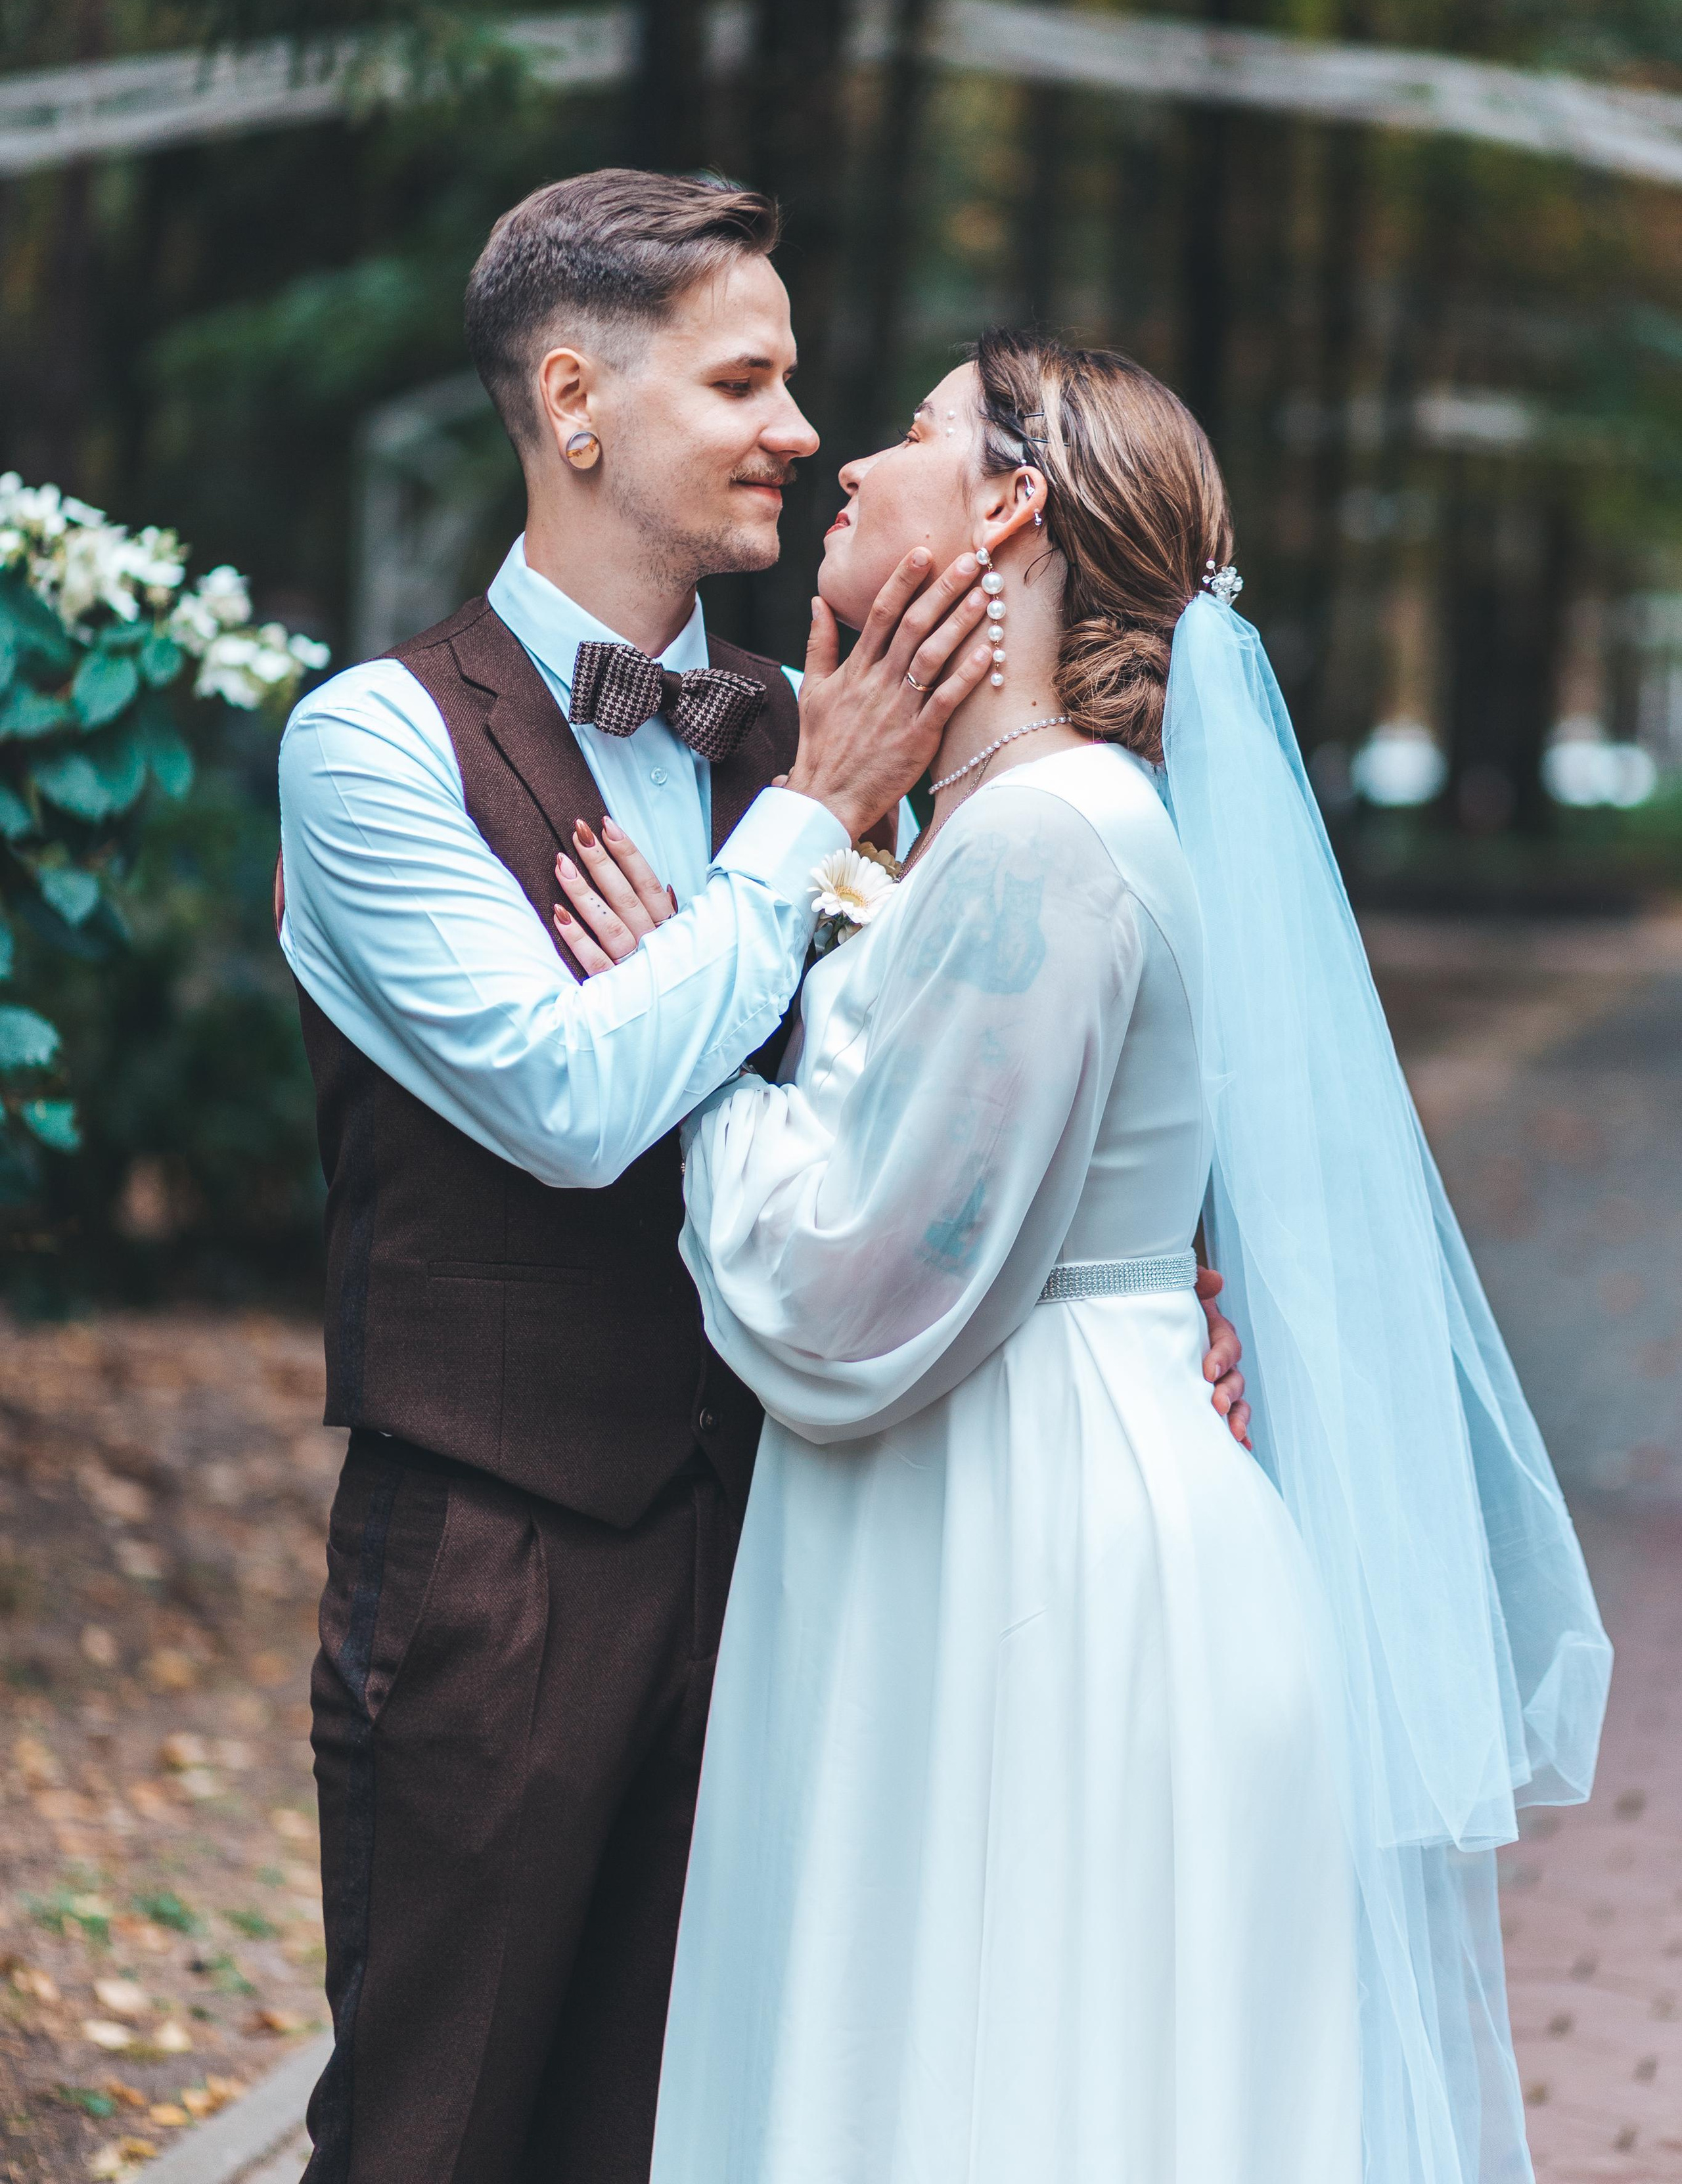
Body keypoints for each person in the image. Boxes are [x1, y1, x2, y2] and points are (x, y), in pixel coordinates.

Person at [276, 173, 1250, 2183]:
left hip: (813, 1568)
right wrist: (806, 823)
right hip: (500, 1574)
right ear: (575, 406)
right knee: (440, 2133)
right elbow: (566, 1102)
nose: (802, 430)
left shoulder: (839, 724)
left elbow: (995, 1063)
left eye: (804, 381)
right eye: (748, 379)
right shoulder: (373, 748)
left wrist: (1180, 1297)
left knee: (717, 2125)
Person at [564, 330, 1611, 2183]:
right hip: (1004, 1517)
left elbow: (853, 1283)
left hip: (1037, 1571)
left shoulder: (1050, 845)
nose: (850, 469)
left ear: (1008, 508)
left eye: (908, 435)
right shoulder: (999, 834)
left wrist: (684, 1033)